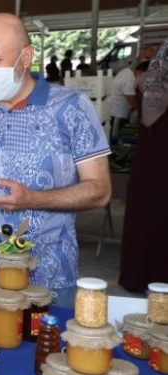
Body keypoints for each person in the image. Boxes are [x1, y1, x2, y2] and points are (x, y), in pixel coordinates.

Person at [0, 13, 111, 308]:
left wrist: (33, 198)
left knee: (45, 349)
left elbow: (100, 190)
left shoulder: (70, 107)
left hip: (48, 272)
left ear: (26, 57)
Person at [119, 38, 168, 292]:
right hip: (157, 158)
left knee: (147, 215)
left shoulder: (146, 80)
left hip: (148, 159)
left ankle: (138, 275)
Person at [109, 59, 153, 137]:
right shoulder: (129, 78)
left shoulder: (129, 74)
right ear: (140, 72)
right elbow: (131, 99)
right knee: (115, 136)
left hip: (122, 111)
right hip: (117, 113)